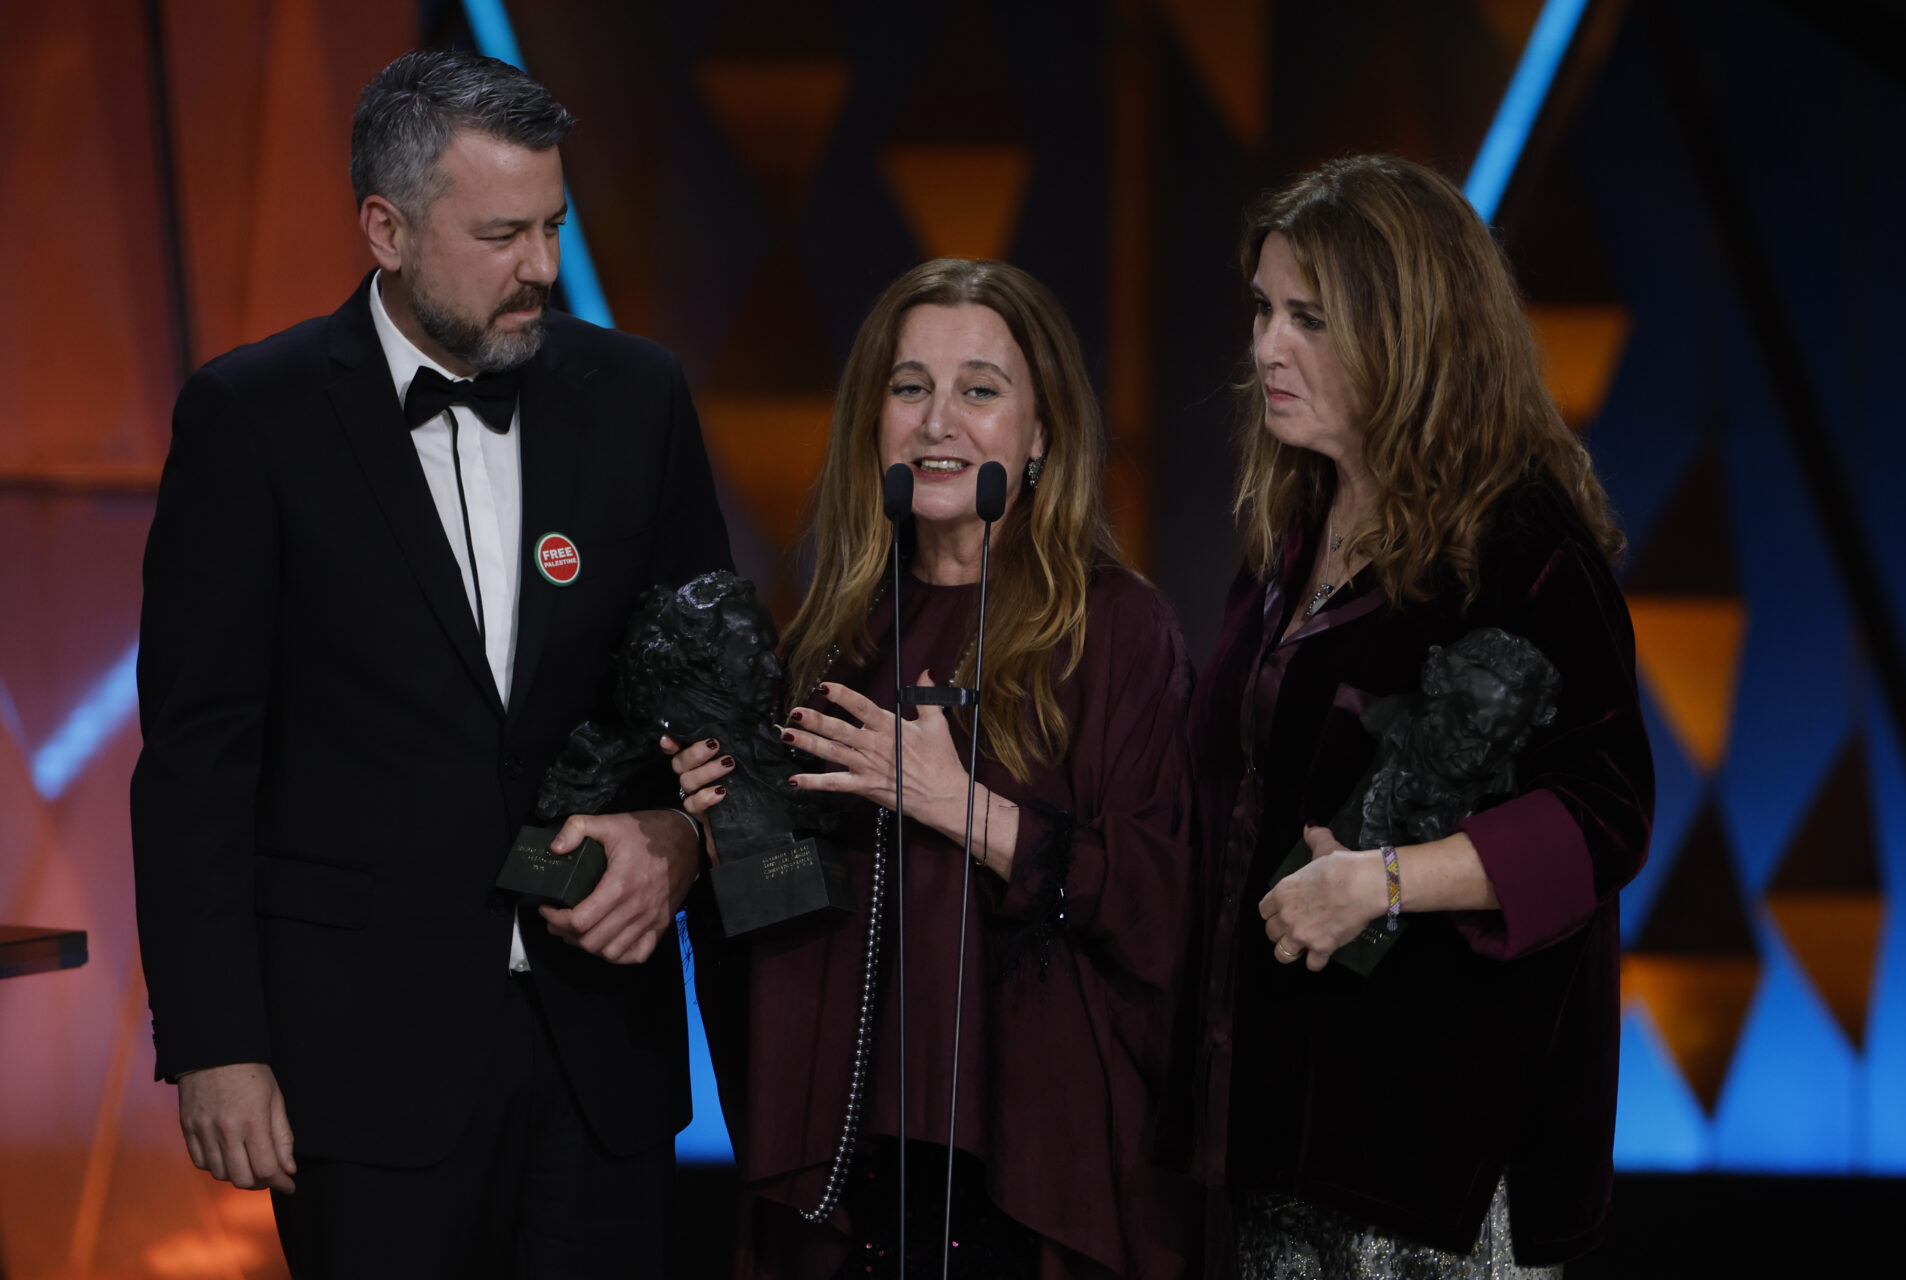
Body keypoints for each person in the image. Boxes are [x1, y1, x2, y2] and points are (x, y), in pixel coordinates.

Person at [129, 50, 730, 1277]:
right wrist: (213, 1040)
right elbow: (197, 756)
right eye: (503, 233)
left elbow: (710, 692)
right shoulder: (251, 418)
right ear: (386, 228)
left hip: (599, 1052)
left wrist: (676, 841)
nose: (544, 269)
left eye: (555, 225)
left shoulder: (639, 396)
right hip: (359, 1064)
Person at [1174, 156, 1655, 1277]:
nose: (1264, 349)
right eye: (1261, 310)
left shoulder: (1524, 545)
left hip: (1435, 1166)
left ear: (1410, 329)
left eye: (1308, 318)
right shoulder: (1292, 536)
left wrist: (1382, 880)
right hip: (1278, 1137)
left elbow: (1603, 814)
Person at [671, 259, 1196, 1278]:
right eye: (910, 387)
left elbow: (1162, 906)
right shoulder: (827, 644)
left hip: (1038, 1186)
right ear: (874, 420)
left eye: (981, 389)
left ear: (1041, 434)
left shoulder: (1119, 631)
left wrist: (965, 808)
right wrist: (722, 840)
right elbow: (776, 944)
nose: (938, 419)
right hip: (847, 1182)